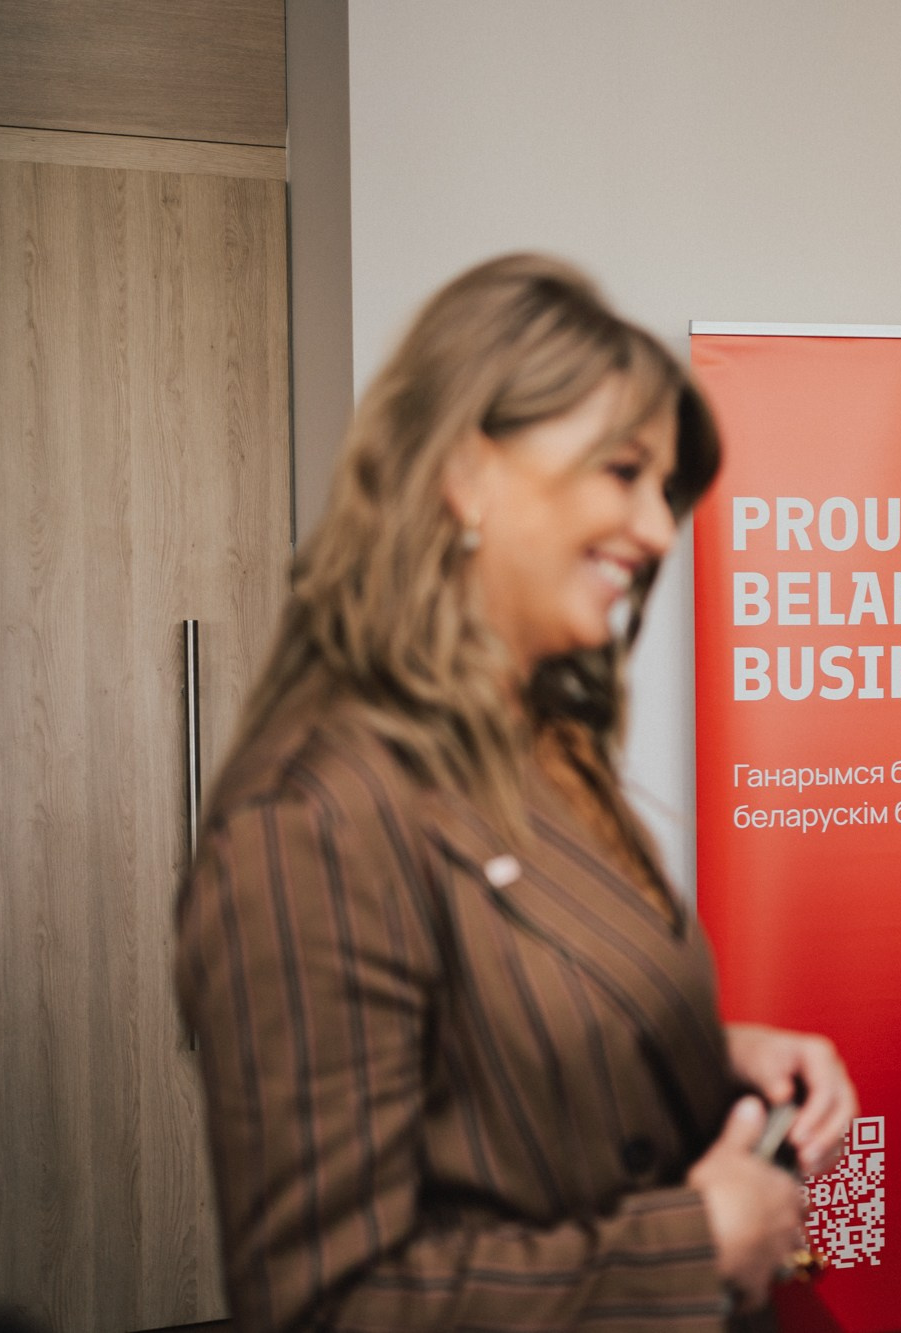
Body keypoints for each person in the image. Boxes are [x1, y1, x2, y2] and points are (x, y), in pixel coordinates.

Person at [175, 254, 856, 1331]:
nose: (654, 530)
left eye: (663, 489)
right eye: (620, 473)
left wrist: (707, 1050)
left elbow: (497, 1028)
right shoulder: (310, 821)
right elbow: (327, 1302)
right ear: (464, 471)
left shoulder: (547, 746)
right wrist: (694, 1242)